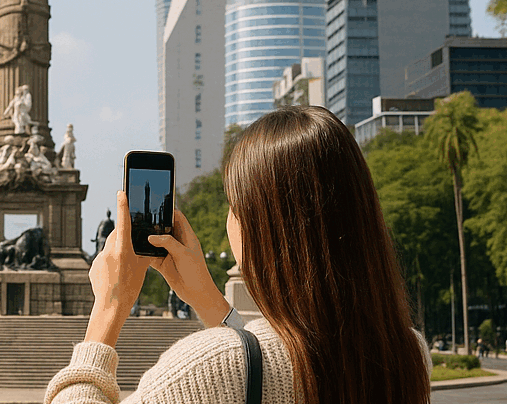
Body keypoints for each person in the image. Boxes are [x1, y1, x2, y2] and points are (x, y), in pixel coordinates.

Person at [44, 106, 432, 404]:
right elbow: (282, 361)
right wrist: (206, 298)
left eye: (233, 205)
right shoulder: (408, 354)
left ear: (261, 227)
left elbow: (253, 369)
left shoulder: (207, 366)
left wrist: (108, 311)